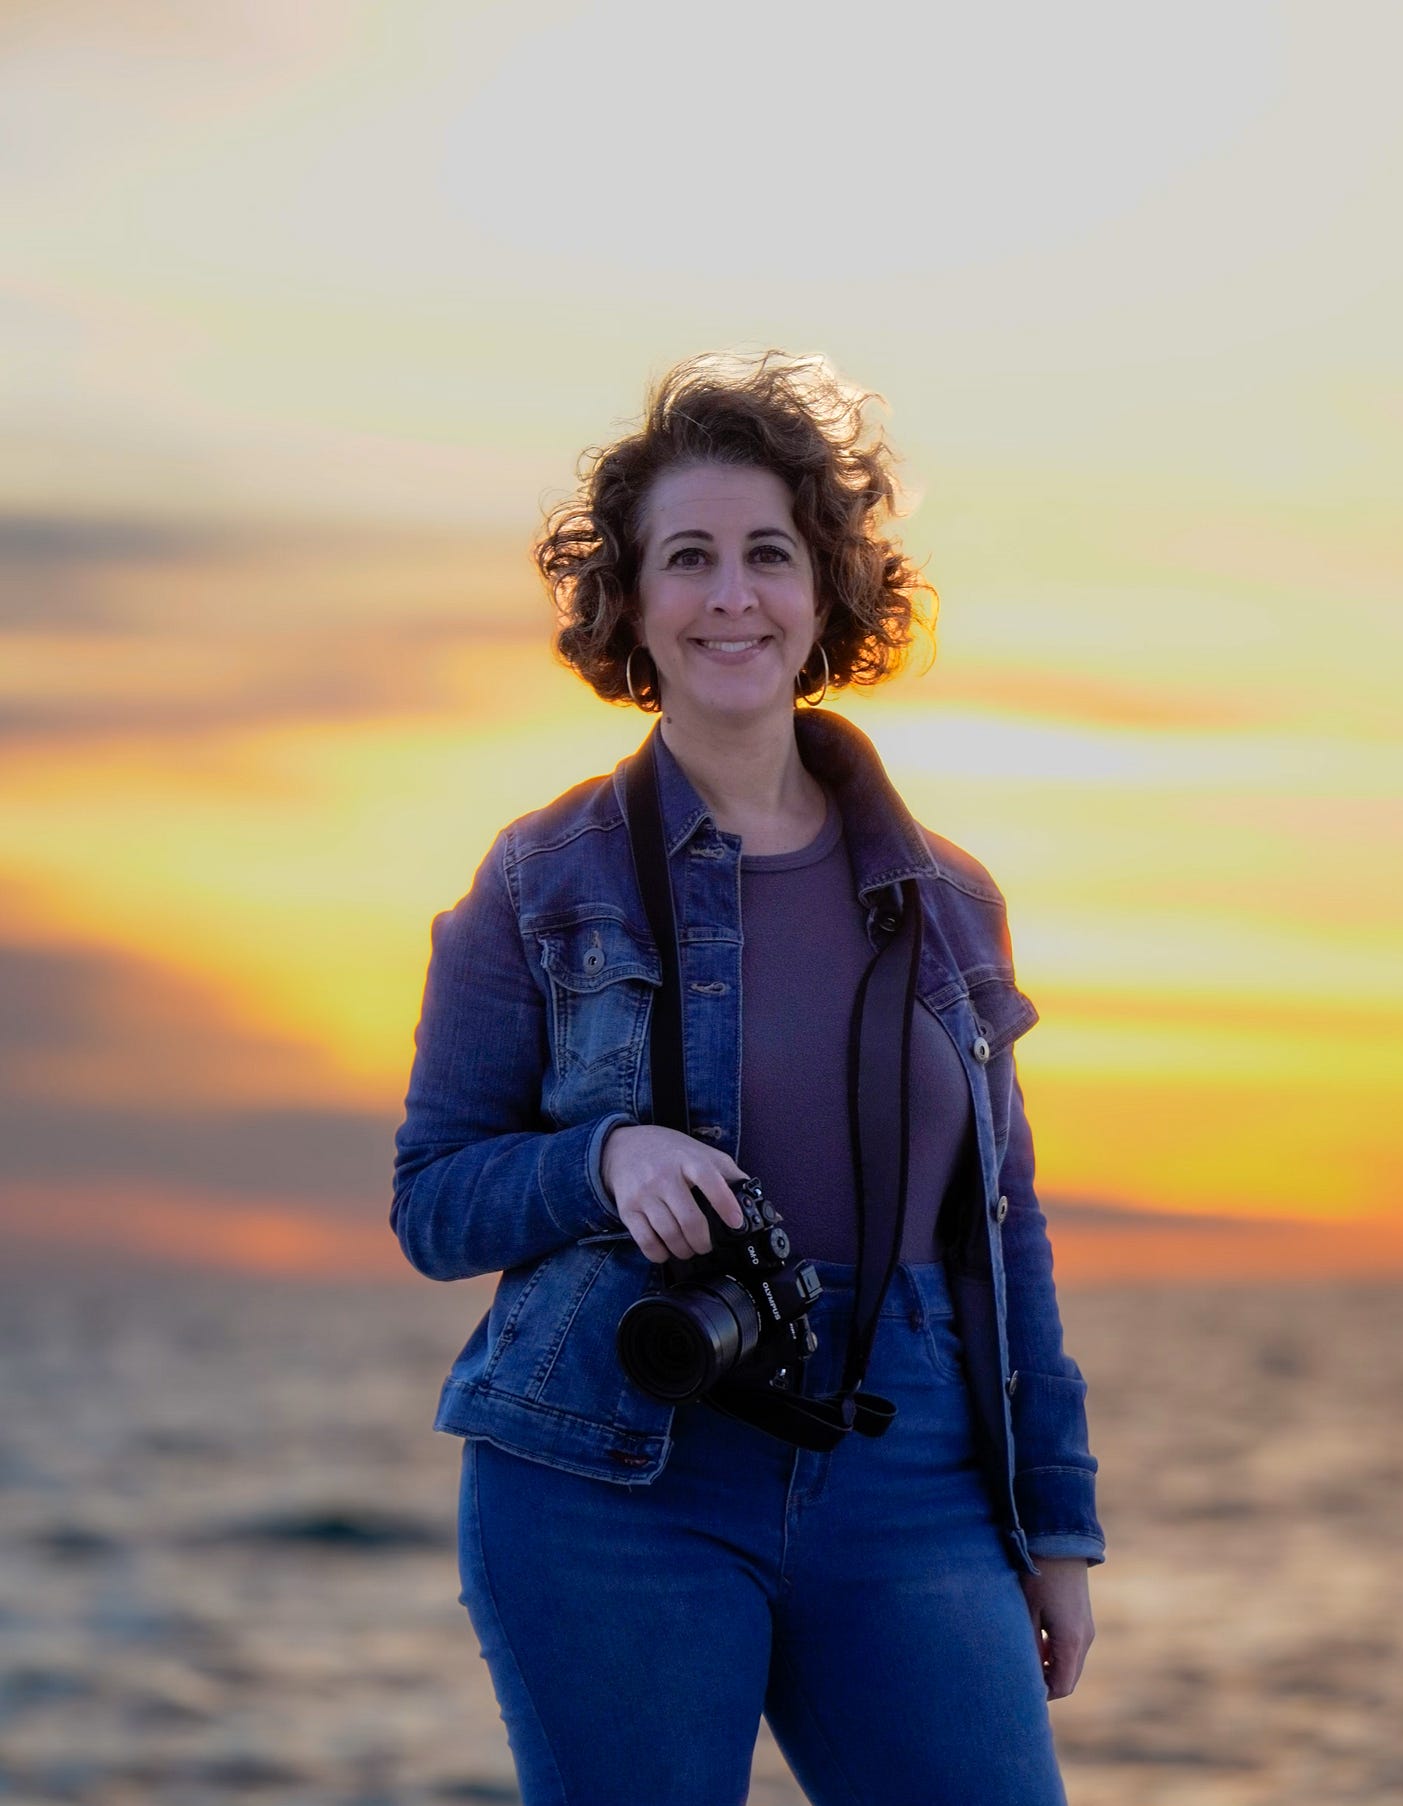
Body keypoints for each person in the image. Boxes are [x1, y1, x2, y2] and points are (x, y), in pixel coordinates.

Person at [391, 351, 1104, 1806]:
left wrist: (1056, 1520)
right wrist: (600, 1161)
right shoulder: (540, 878)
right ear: (632, 604)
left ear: (827, 589)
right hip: (609, 1470)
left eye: (769, 554)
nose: (733, 594)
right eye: (690, 558)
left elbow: (1001, 1224)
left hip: (908, 1465)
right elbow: (432, 1200)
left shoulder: (950, 897)